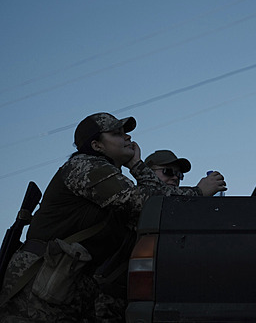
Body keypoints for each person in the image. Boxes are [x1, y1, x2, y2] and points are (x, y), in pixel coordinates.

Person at [0, 112, 218, 322]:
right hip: (40, 282)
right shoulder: (85, 166)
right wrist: (198, 193)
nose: (127, 137)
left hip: (67, 283)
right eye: (116, 133)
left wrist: (135, 165)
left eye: (125, 132)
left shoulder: (109, 176)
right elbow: (146, 202)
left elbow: (149, 209)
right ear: (97, 145)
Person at [145, 149, 227, 195]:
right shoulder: (136, 197)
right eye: (168, 171)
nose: (175, 177)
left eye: (179, 174)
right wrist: (199, 191)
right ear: (148, 173)